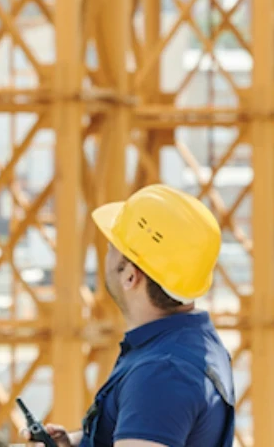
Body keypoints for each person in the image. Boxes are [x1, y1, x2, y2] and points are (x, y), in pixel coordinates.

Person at [24, 185, 236, 447]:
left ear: (130, 276)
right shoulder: (190, 344)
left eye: (113, 246)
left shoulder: (162, 373)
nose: (107, 252)